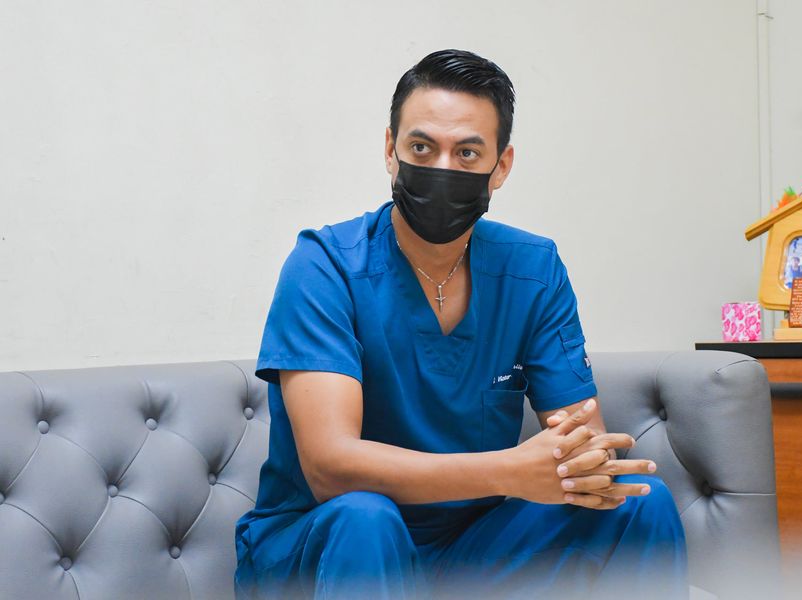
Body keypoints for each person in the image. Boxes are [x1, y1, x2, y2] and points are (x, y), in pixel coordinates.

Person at [233, 49, 687, 600]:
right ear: (390, 150)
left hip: (468, 550)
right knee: (367, 517)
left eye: (467, 153)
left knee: (637, 502)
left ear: (502, 166)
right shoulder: (324, 266)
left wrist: (584, 464)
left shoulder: (532, 269)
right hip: (327, 547)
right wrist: (508, 471)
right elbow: (332, 468)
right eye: (422, 148)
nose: (443, 168)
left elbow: (581, 448)